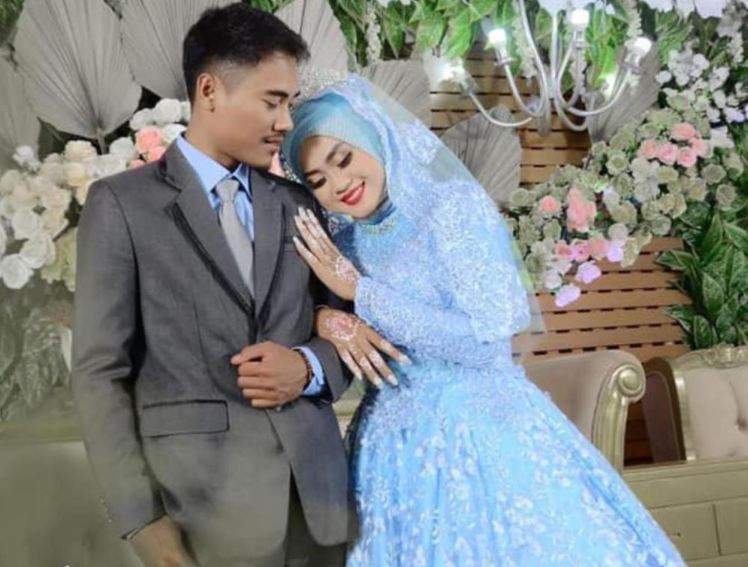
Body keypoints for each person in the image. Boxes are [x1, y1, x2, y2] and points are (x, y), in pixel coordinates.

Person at [282, 75, 688, 567]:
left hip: (481, 432)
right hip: (387, 454)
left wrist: (361, 292)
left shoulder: (450, 208)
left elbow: (483, 343)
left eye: (343, 158)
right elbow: (312, 321)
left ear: (374, 136)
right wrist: (326, 316)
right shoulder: (343, 244)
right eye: (318, 180)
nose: (339, 184)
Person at [71, 5, 392, 566]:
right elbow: (100, 374)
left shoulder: (299, 202)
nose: (286, 122)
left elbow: (344, 326)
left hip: (319, 505)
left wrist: (308, 368)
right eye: (273, 101)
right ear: (210, 90)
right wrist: (141, 520)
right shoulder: (121, 205)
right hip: (201, 512)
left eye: (289, 104)